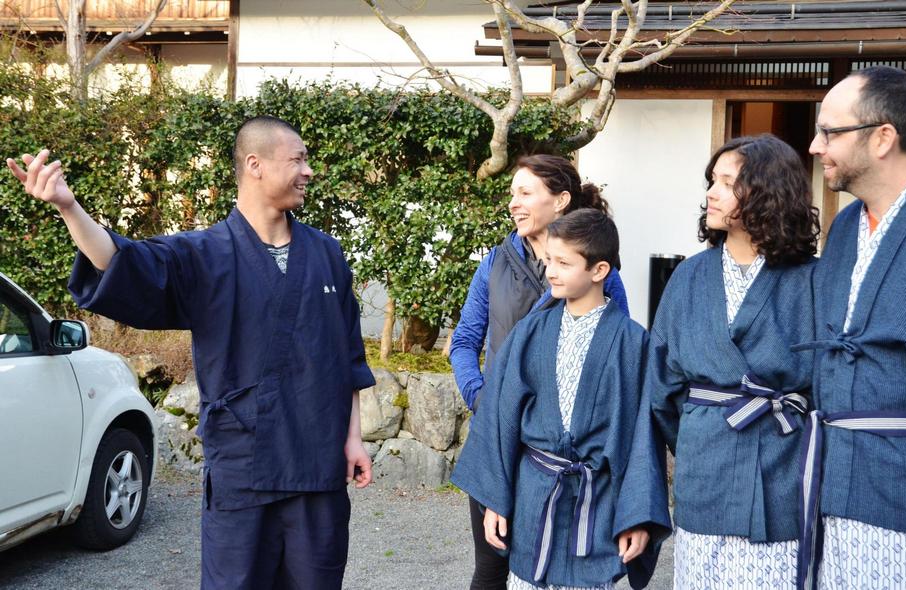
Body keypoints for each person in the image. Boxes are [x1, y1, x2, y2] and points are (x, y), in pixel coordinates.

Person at [6, 115, 375, 590]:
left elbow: (348, 356)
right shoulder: (204, 253)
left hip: (318, 464)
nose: (308, 171)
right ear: (255, 165)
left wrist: (353, 437)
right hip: (244, 467)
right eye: (298, 160)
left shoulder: (327, 254)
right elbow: (125, 263)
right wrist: (68, 207)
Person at [617, 134, 820, 588]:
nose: (711, 192)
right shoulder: (690, 276)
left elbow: (827, 383)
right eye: (712, 180)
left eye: (727, 183)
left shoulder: (811, 279)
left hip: (781, 466)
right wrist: (699, 431)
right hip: (704, 468)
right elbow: (662, 389)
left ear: (768, 193)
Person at [792, 65, 906, 589]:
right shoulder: (845, 225)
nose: (816, 146)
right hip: (836, 485)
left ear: (883, 136)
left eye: (830, 132)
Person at [452, 208, 667, 590]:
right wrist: (495, 500)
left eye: (564, 263)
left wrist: (636, 514)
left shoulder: (633, 342)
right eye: (550, 259)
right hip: (535, 493)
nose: (551, 271)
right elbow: (500, 418)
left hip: (595, 500)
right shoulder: (531, 332)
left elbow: (641, 439)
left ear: (599, 271)